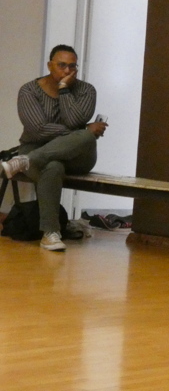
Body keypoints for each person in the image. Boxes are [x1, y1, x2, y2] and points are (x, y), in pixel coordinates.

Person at [1, 45, 107, 251]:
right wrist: (83, 130)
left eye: (72, 66)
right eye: (62, 65)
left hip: (77, 155)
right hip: (35, 146)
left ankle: (26, 161)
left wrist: (64, 89)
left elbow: (74, 119)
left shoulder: (86, 90)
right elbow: (38, 130)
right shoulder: (29, 90)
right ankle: (50, 234)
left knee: (85, 138)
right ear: (50, 65)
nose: (67, 71)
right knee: (54, 166)